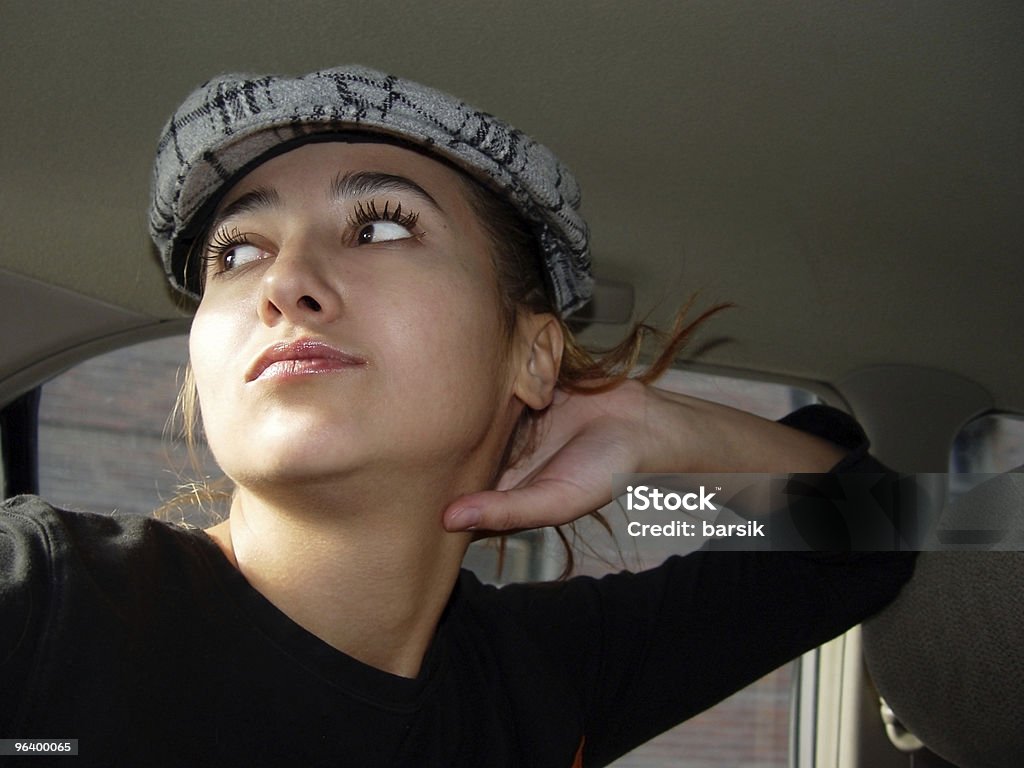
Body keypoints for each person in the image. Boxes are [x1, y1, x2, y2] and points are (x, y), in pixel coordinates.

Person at [1, 65, 915, 766]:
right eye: (237, 251)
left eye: (383, 228)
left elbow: (898, 526)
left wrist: (655, 431)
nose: (283, 284)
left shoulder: (547, 680)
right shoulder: (41, 600)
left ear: (532, 354)